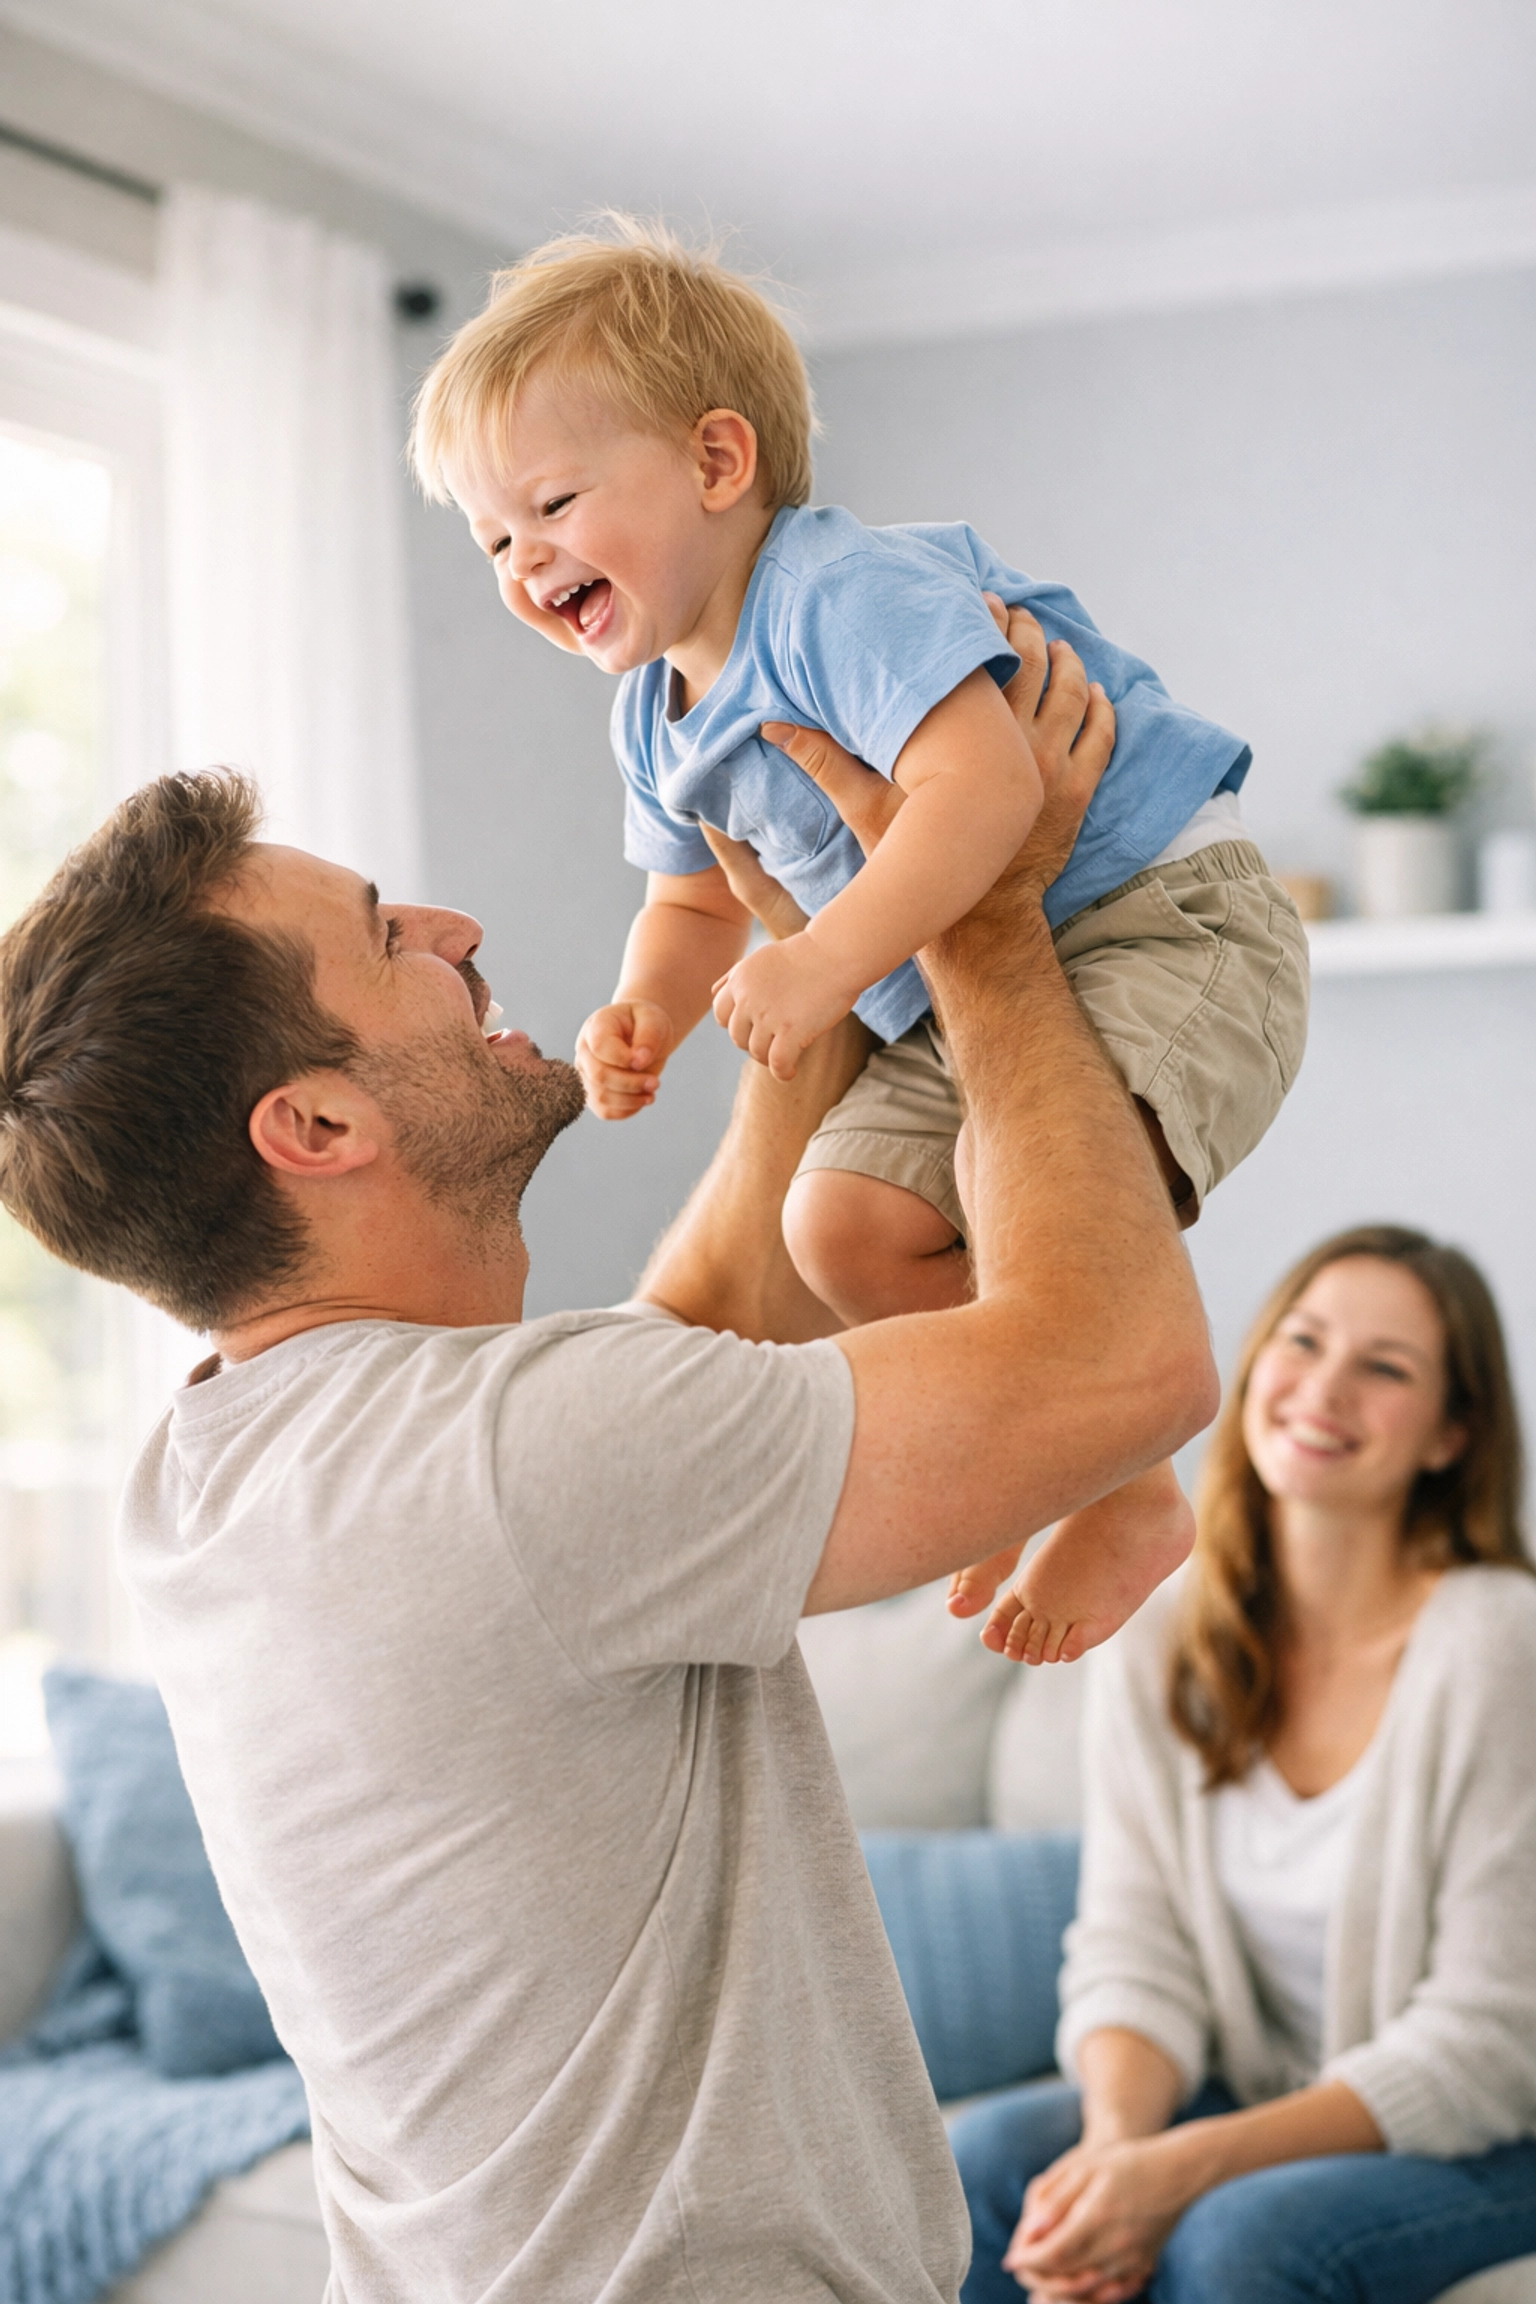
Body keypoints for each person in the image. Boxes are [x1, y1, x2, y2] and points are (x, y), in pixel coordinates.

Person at [0, 614, 1216, 2303]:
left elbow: (689, 1340)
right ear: (320, 1127)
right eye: (388, 938)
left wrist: (824, 943)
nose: (457, 927)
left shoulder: (214, 1470)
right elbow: (1123, 1364)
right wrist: (990, 919)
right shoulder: (515, 1466)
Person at [409, 217, 1310, 1669]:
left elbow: (991, 791)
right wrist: (646, 1007)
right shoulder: (651, 710)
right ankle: (1107, 1471)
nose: (525, 562)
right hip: (955, 999)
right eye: (494, 538)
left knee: (1011, 1180)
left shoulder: (841, 594)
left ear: (717, 462)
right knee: (835, 1229)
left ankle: (1110, 1447)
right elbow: (698, 897)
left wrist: (827, 965)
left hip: (1151, 916)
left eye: (554, 504)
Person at [952, 1226, 1536, 2304]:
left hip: (1497, 2128)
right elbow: (1135, 1942)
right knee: (982, 2168)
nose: (1324, 1389)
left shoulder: (1502, 1645)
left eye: (1386, 1369)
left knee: (1240, 2240)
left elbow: (1491, 2041)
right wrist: (1117, 2154)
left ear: (1453, 1435)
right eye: (1302, 1342)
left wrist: (1182, 2167)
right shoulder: (1158, 1633)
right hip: (1260, 2088)